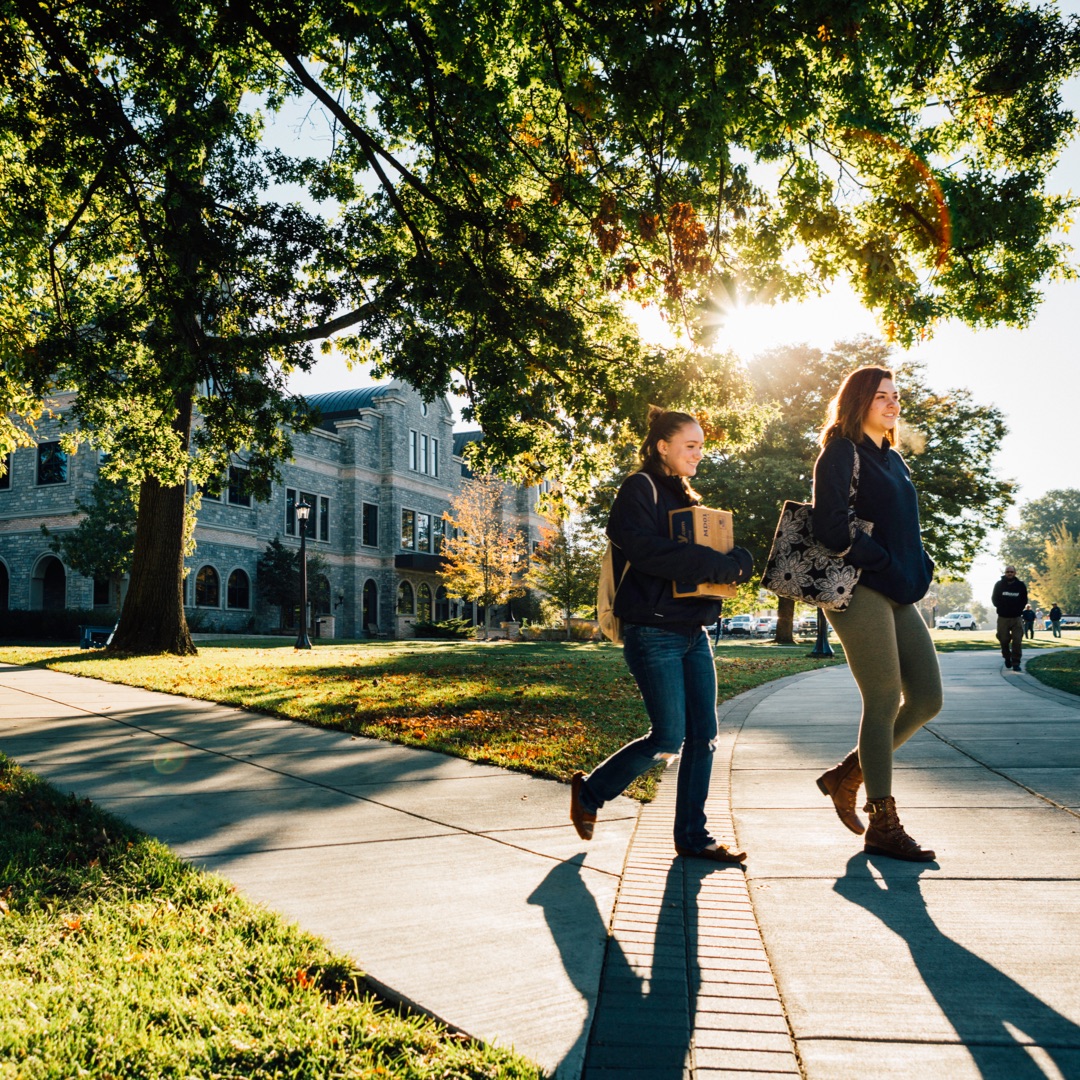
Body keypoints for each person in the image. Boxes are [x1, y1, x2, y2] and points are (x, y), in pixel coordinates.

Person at [570, 407, 754, 863]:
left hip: (694, 633)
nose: (698, 454)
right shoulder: (641, 488)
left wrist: (739, 561)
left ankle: (693, 837)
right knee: (669, 736)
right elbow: (647, 551)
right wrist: (715, 563)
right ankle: (591, 793)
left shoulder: (691, 499)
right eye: (690, 446)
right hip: (653, 632)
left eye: (701, 446)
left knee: (704, 736)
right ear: (662, 447)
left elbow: (707, 560)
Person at [811, 366, 941, 862]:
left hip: (899, 591)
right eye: (881, 396)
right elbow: (831, 528)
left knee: (927, 698)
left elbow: (907, 527)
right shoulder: (841, 450)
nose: (892, 404)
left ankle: (848, 772)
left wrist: (919, 564)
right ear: (859, 401)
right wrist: (884, 561)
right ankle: (881, 822)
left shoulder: (895, 460)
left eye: (896, 396)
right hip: (859, 588)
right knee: (884, 697)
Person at [992, 566, 1028, 671]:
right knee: (1003, 640)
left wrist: (1018, 609)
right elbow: (994, 599)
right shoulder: (999, 585)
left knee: (1017, 641)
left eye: (1011, 572)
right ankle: (1007, 657)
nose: (1009, 573)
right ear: (1005, 573)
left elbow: (1024, 599)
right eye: (1007, 572)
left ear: (1015, 573)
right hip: (1003, 617)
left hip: (1016, 618)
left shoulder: (1020, 585)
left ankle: (1016, 662)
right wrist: (1001, 607)